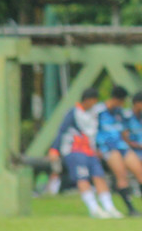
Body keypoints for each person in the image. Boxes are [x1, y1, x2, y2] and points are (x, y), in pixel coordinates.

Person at [48, 87, 121, 218]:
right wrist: (54, 149)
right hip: (75, 150)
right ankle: (93, 208)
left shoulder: (94, 113)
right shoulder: (73, 113)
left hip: (90, 151)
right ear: (87, 100)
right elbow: (61, 131)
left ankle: (109, 207)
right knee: (82, 178)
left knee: (99, 176)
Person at [96, 86, 142, 216]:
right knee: (121, 175)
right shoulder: (99, 111)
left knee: (141, 172)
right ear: (116, 99)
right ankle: (131, 209)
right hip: (107, 147)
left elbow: (126, 132)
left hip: (122, 146)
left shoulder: (120, 113)